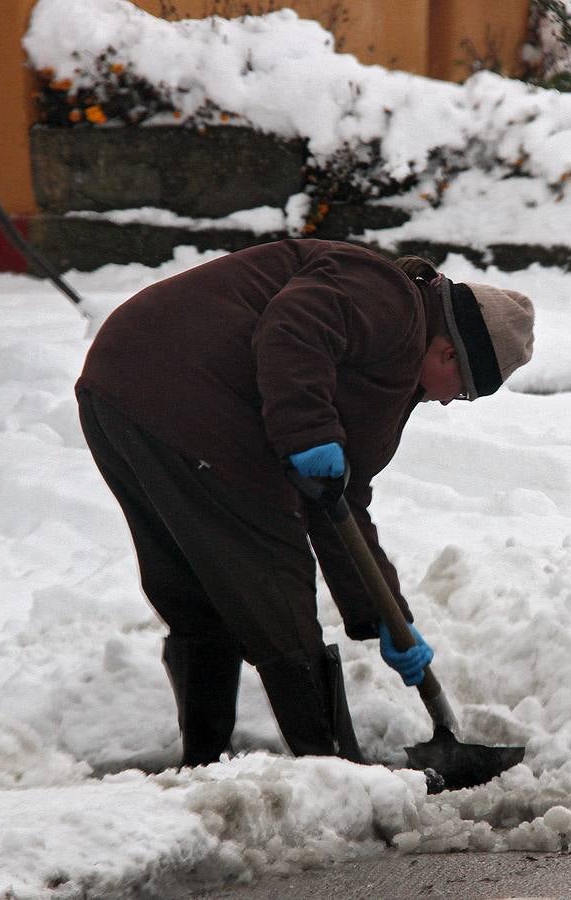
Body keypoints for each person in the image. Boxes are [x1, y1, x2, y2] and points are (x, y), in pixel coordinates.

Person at [75, 238, 535, 766]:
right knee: (274, 579)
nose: (450, 401)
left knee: (198, 591)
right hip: (190, 395)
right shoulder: (390, 296)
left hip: (120, 390)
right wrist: (310, 429)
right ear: (449, 352)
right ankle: (328, 763)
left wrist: (386, 613)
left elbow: (339, 503)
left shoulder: (387, 372)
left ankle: (204, 758)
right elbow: (296, 324)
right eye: (464, 390)